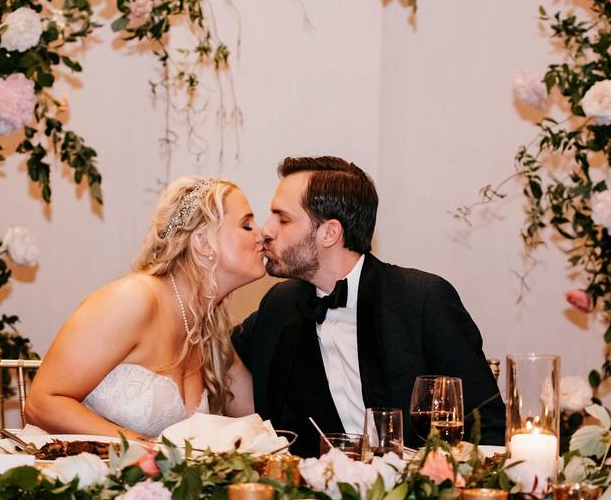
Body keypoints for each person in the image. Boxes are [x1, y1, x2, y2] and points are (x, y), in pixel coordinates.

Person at [232, 156, 505, 457]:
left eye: (283, 219)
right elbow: (218, 359)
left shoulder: (422, 299)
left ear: (329, 232)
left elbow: (487, 426)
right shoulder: (280, 305)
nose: (265, 231)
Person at [26, 176, 263, 440]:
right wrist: (141, 448)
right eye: (247, 225)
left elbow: (257, 419)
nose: (261, 234)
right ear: (203, 243)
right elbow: (42, 402)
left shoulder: (207, 329)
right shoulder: (135, 299)